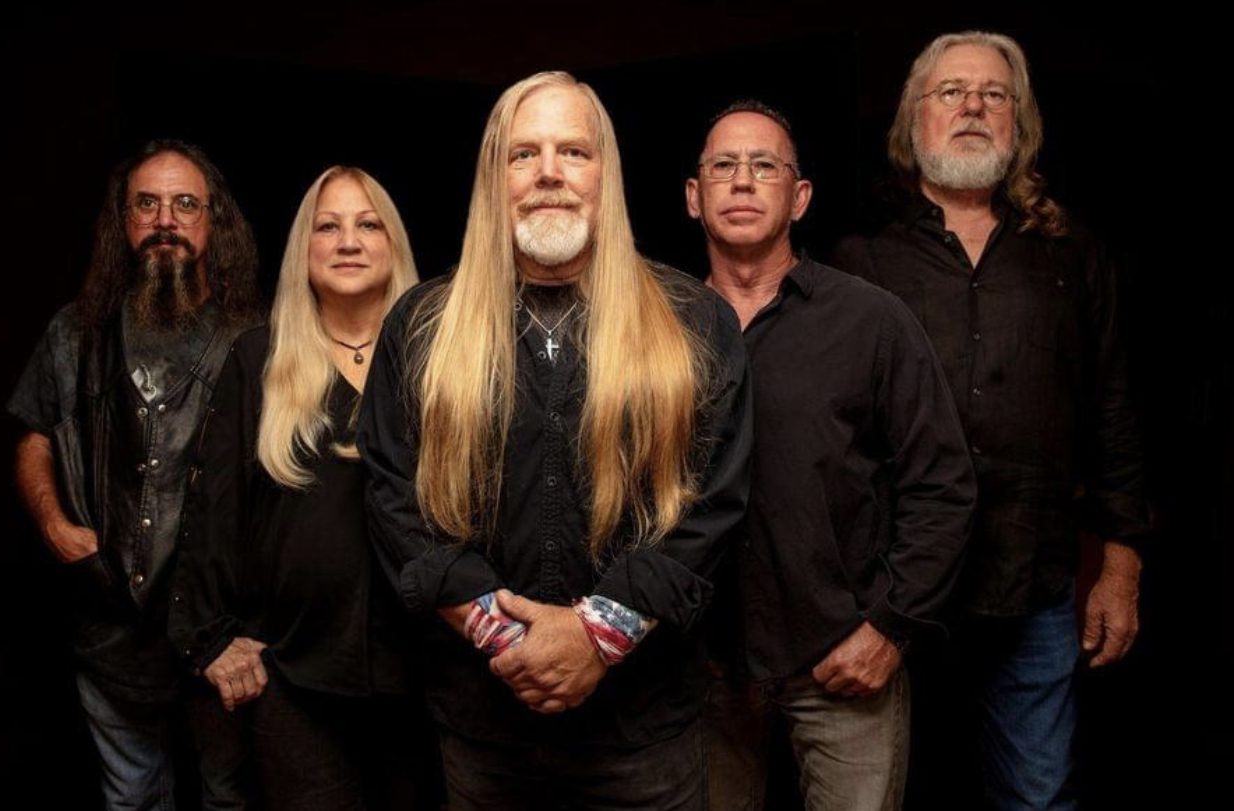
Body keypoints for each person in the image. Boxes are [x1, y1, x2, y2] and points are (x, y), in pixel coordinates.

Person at [360, 70, 752, 810]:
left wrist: (593, 637)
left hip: (646, 737)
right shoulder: (421, 325)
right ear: (492, 178)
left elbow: (715, 503)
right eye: (523, 153)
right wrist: (509, 641)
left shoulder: (696, 321)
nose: (548, 174)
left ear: (606, 174)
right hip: (484, 733)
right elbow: (391, 496)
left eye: (573, 152)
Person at [833, 31, 1150, 810]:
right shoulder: (859, 262)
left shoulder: (1074, 257)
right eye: (950, 92)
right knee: (886, 796)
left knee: (1038, 796)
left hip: (1032, 587)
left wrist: (1121, 567)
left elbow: (1113, 410)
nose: (972, 106)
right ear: (915, 123)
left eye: (993, 94)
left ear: (1020, 125)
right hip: (888, 591)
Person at [689, 100, 976, 811]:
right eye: (723, 166)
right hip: (697, 673)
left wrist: (890, 628)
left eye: (765, 166)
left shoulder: (872, 321)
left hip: (843, 664)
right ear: (694, 197)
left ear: (800, 195)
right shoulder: (655, 328)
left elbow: (943, 486)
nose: (743, 181)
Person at [168, 166, 432, 810]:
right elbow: (213, 513)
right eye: (328, 226)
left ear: (393, 243)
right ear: (302, 249)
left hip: (428, 678)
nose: (348, 241)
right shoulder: (257, 359)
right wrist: (208, 635)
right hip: (294, 676)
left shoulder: (442, 358)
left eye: (368, 224)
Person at [9, 139, 261, 809]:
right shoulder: (75, 333)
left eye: (185, 204)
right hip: (110, 627)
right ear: (122, 221)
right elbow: (34, 433)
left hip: (219, 627)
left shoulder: (255, 339)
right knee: (130, 798)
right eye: (146, 203)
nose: (166, 220)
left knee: (228, 795)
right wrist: (55, 525)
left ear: (214, 222)